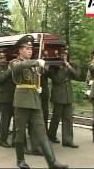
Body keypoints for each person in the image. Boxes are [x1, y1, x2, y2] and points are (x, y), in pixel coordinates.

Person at [10, 35, 68, 169]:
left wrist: (38, 87)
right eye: (27, 48)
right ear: (20, 50)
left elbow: (35, 77)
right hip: (22, 101)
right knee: (20, 132)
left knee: (42, 132)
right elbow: (20, 67)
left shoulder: (32, 64)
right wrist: (37, 62)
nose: (30, 51)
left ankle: (52, 162)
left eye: (31, 48)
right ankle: (20, 160)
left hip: (35, 100)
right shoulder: (15, 62)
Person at [47, 50, 80, 148]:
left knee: (68, 118)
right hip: (58, 95)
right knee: (56, 117)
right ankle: (51, 135)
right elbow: (58, 80)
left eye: (65, 55)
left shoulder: (69, 65)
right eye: (62, 55)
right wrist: (60, 67)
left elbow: (77, 75)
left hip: (68, 95)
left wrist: (68, 65)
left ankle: (68, 140)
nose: (64, 57)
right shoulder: (54, 68)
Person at [0, 52, 15, 147]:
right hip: (2, 98)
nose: (3, 59)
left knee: (13, 118)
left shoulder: (6, 66)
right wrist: (9, 70)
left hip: (11, 96)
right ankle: (2, 140)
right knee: (5, 119)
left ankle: (14, 140)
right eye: (1, 58)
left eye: (4, 57)